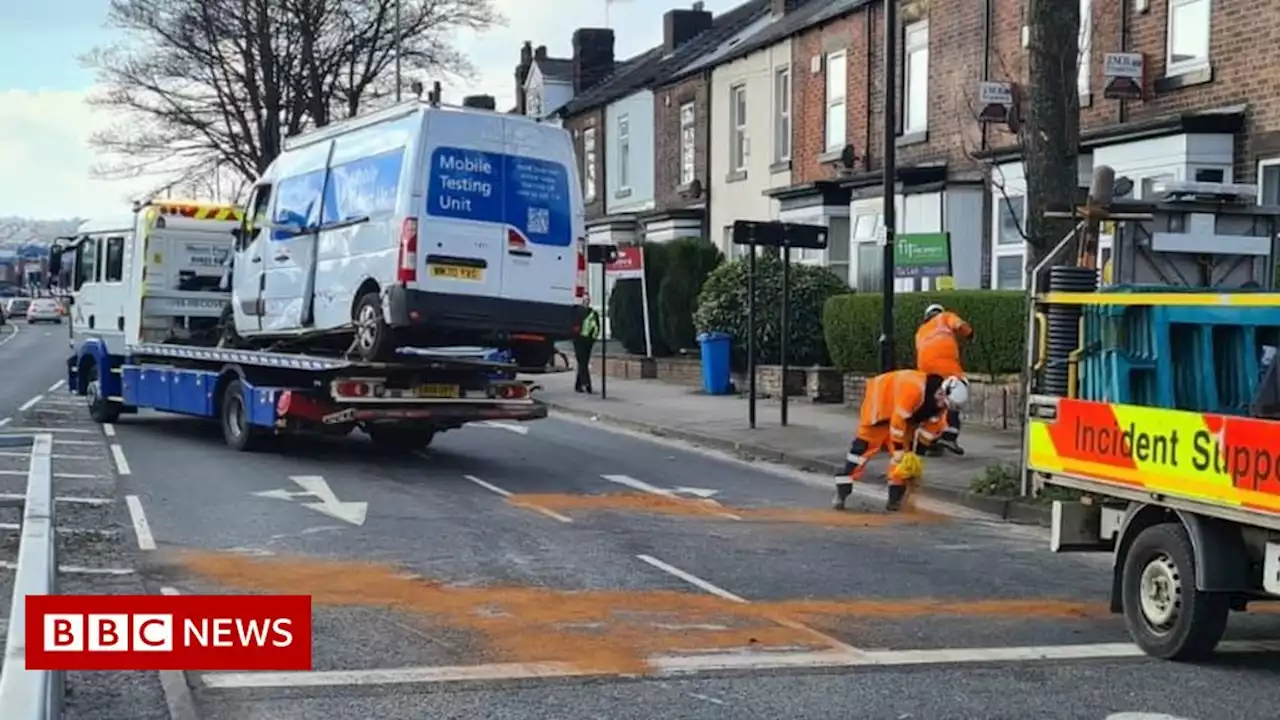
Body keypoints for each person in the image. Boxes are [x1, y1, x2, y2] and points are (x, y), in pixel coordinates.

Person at [833, 369, 969, 512]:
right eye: (945, 403)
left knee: (903, 463)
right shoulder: (914, 388)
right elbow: (898, 421)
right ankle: (842, 493)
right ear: (941, 392)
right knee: (859, 453)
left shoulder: (941, 405)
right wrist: (898, 448)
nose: (943, 407)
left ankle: (894, 501)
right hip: (880, 410)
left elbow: (929, 430)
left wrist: (917, 454)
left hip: (906, 420)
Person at [915, 303, 973, 456]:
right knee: (956, 396)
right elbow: (960, 326)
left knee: (934, 404)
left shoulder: (920, 331)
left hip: (925, 370)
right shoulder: (946, 317)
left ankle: (927, 443)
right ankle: (949, 436)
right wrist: (969, 333)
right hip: (946, 365)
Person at [574, 302, 601, 393]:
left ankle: (578, 385)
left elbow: (597, 327)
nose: (586, 301)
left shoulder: (593, 313)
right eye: (585, 299)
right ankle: (587, 383)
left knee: (583, 362)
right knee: (582, 362)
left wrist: (593, 339)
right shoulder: (576, 312)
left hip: (588, 342)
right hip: (578, 340)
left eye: (588, 299)